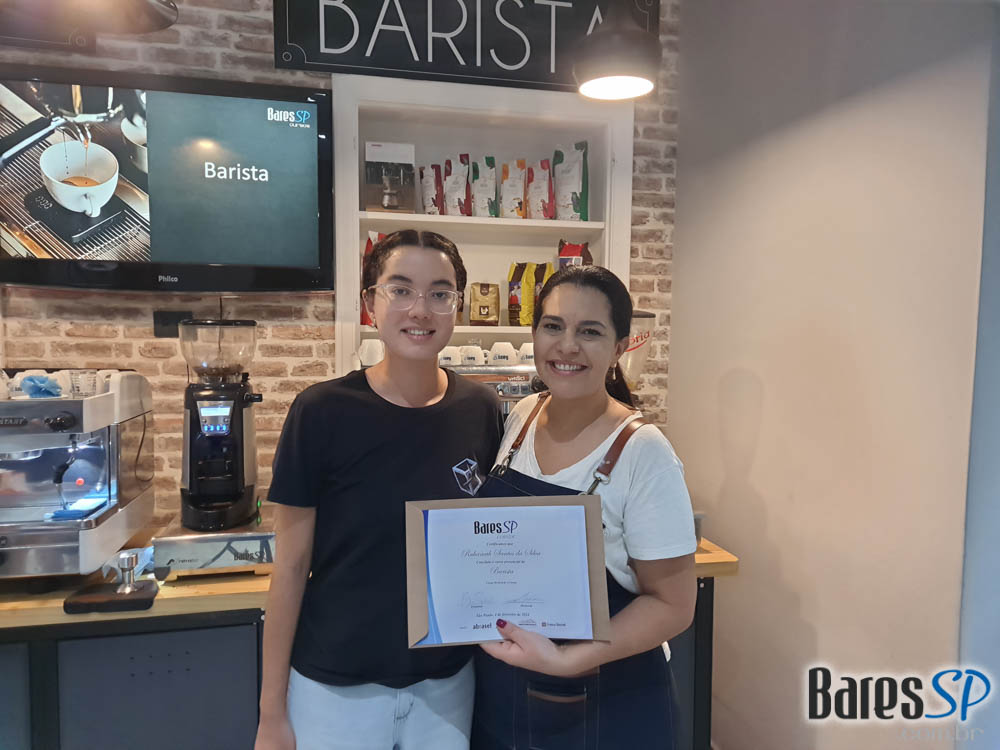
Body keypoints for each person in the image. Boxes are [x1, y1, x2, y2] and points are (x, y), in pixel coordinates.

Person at [255, 230, 504, 750]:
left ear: (458, 305)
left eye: (440, 293)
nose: (421, 309)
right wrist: (271, 712)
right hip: (333, 689)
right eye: (401, 289)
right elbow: (291, 567)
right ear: (371, 303)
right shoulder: (322, 411)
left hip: (446, 684)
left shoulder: (481, 409)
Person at [471, 265, 698, 750]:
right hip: (505, 690)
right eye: (553, 326)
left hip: (608, 700)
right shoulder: (522, 417)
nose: (567, 346)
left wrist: (568, 660)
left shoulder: (644, 452)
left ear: (619, 348)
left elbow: (674, 606)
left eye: (590, 332)